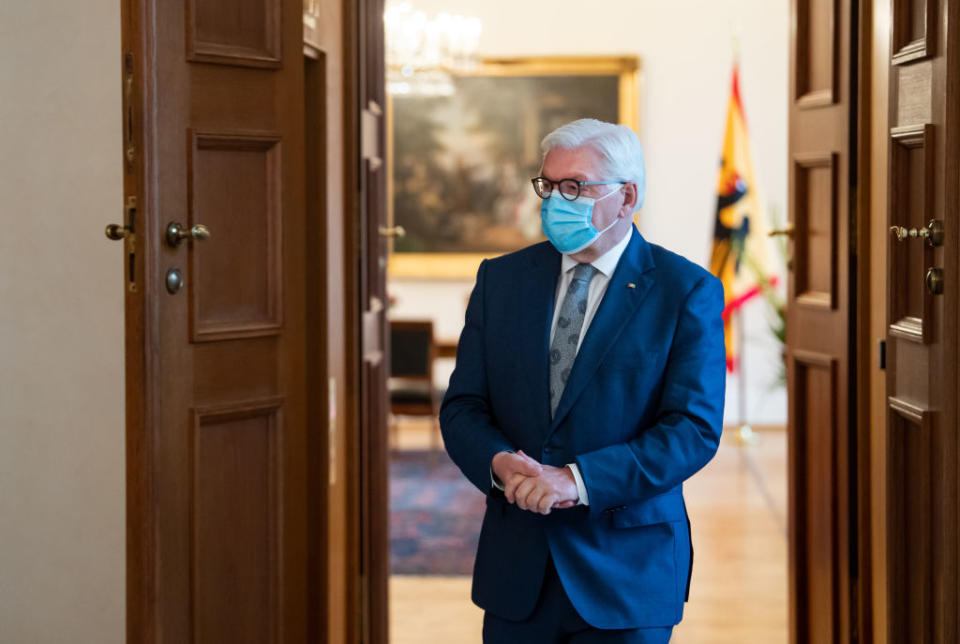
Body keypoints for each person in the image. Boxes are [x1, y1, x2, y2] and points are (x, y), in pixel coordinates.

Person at [439, 118, 727, 643]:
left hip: (625, 574)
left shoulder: (685, 291)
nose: (555, 201)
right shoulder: (501, 281)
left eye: (575, 187)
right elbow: (463, 407)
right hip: (517, 572)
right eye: (548, 186)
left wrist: (577, 479)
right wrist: (500, 464)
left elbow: (693, 429)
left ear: (627, 197)